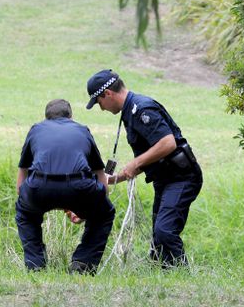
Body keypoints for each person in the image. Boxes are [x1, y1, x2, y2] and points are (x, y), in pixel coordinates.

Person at [85, 69, 203, 267]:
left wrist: (136, 163)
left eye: (99, 103)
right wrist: (112, 179)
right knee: (158, 243)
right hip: (165, 179)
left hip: (181, 178)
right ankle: (165, 277)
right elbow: (149, 157)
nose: (101, 108)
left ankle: (184, 278)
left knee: (165, 232)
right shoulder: (129, 113)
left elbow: (167, 143)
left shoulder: (141, 109)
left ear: (108, 94)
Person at [15, 99, 115, 274]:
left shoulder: (36, 130)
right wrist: (90, 207)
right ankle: (83, 264)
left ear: (46, 118)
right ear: (71, 117)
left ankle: (35, 265)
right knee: (104, 213)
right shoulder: (82, 130)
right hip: (79, 185)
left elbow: (22, 174)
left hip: (39, 185)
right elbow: (100, 176)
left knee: (26, 213)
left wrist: (25, 199)